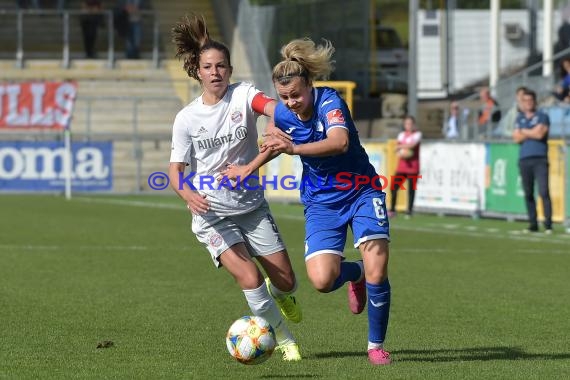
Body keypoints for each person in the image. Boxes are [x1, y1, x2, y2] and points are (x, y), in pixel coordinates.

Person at [222, 38, 393, 365]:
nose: (292, 102)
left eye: (297, 95)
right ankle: (354, 275)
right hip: (321, 201)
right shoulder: (283, 113)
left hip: (362, 190)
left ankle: (375, 346)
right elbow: (273, 143)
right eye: (284, 97)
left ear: (311, 86)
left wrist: (294, 149)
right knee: (321, 280)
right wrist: (247, 168)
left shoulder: (331, 103)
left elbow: (339, 142)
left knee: (378, 268)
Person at [167, 14, 302, 361]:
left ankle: (282, 294)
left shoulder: (244, 94)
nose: (215, 73)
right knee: (248, 276)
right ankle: (285, 340)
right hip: (212, 214)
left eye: (222, 66)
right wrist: (187, 193)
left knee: (286, 281)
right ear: (198, 71)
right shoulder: (187, 118)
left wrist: (276, 119)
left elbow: (270, 106)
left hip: (252, 207)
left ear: (229, 69)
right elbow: (174, 171)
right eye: (208, 67)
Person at [512, 88, 553, 234]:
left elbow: (540, 134)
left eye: (530, 100)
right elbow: (516, 138)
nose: (528, 103)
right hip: (524, 159)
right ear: (522, 103)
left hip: (540, 158)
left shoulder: (543, 116)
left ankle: (548, 224)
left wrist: (524, 131)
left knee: (543, 191)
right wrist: (531, 132)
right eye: (525, 100)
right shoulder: (519, 118)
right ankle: (533, 224)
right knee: (528, 193)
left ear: (535, 101)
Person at [390, 115, 421, 218]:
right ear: (404, 125)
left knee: (411, 190)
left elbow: (412, 146)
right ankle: (392, 209)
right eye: (407, 123)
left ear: (414, 124)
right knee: (393, 187)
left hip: (413, 167)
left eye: (410, 123)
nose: (409, 125)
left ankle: (409, 211)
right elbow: (397, 150)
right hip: (402, 166)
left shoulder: (417, 134)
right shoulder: (401, 135)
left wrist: (400, 147)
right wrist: (400, 152)